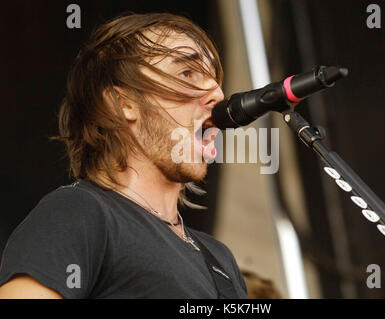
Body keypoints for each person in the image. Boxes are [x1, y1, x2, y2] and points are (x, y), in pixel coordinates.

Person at [0, 12, 248, 299]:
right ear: (123, 103)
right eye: (187, 73)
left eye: (215, 79)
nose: (217, 93)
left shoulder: (219, 258)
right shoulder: (76, 212)